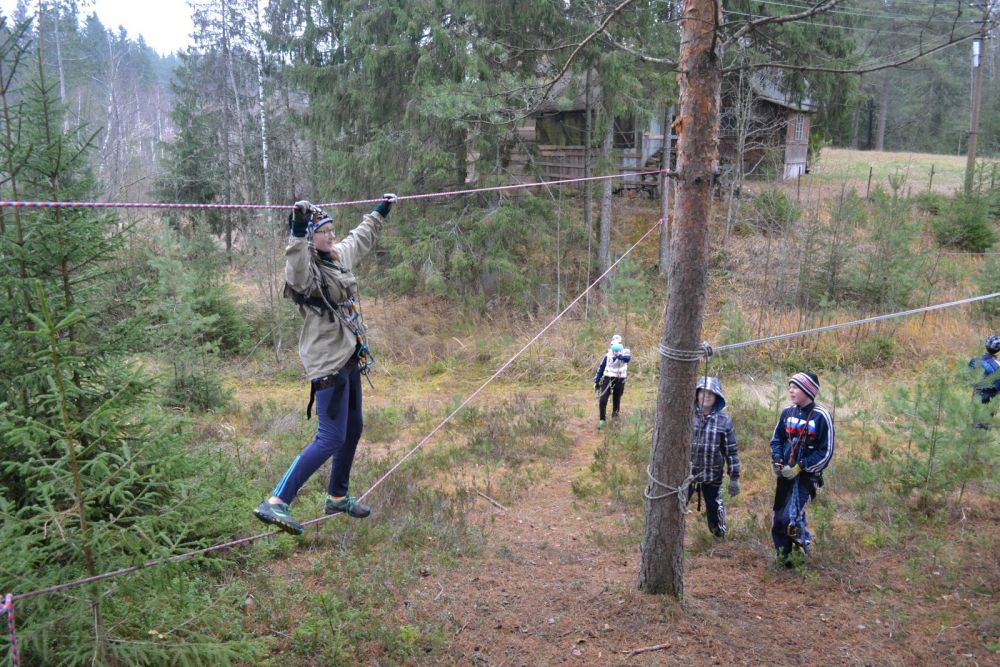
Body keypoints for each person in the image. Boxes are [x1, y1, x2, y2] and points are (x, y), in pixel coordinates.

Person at [254, 194, 396, 536]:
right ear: (310, 237)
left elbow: (359, 238)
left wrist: (381, 211)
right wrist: (299, 226)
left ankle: (337, 496)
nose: (331, 236)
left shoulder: (336, 257)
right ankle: (276, 500)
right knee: (331, 436)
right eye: (324, 232)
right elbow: (295, 260)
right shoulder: (305, 272)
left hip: (348, 357)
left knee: (354, 427)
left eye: (332, 230)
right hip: (327, 363)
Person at [769, 371, 834, 564]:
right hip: (784, 477)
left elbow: (825, 452)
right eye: (790, 386)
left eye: (795, 387)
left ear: (808, 390)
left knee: (790, 517)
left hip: (806, 479)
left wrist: (800, 467)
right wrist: (778, 459)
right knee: (778, 520)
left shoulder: (821, 417)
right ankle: (784, 559)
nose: (791, 390)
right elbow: (776, 439)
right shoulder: (787, 413)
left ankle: (802, 549)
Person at [688, 376, 740, 537]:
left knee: (715, 507)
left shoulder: (724, 420)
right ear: (697, 394)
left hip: (713, 474)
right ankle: (671, 538)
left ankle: (718, 535)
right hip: (686, 474)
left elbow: (731, 451)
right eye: (703, 392)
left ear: (717, 397)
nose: (707, 396)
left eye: (711, 393)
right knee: (675, 505)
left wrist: (734, 478)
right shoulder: (686, 415)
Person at [593, 334, 632, 428]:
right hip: (608, 378)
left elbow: (627, 359)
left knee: (616, 399)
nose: (615, 349)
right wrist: (597, 380)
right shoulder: (607, 355)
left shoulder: (625, 352)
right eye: (613, 346)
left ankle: (615, 419)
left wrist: (619, 356)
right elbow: (601, 368)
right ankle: (602, 420)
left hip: (620, 379)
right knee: (603, 399)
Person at [969, 335, 1000, 427]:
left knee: (975, 421)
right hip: (991, 396)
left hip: (977, 393)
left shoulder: (975, 359)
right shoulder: (998, 364)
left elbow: (968, 375)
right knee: (985, 424)